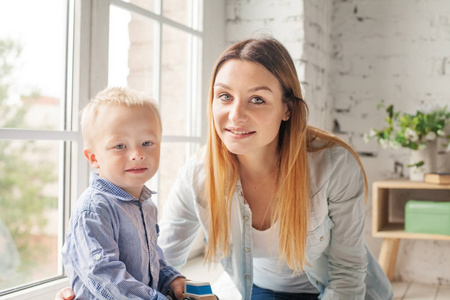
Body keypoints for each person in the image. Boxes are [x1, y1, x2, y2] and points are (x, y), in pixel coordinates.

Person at [57, 38, 393, 300]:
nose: (235, 116)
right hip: (258, 290)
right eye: (225, 96)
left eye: (257, 99)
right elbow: (159, 259)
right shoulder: (198, 176)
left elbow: (347, 274)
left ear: (287, 108)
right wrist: (88, 287)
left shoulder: (333, 167)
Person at [61, 87, 185, 299]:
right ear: (93, 158)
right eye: (120, 146)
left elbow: (151, 257)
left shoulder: (146, 204)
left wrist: (171, 278)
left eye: (147, 143)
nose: (137, 154)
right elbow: (105, 275)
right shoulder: (93, 209)